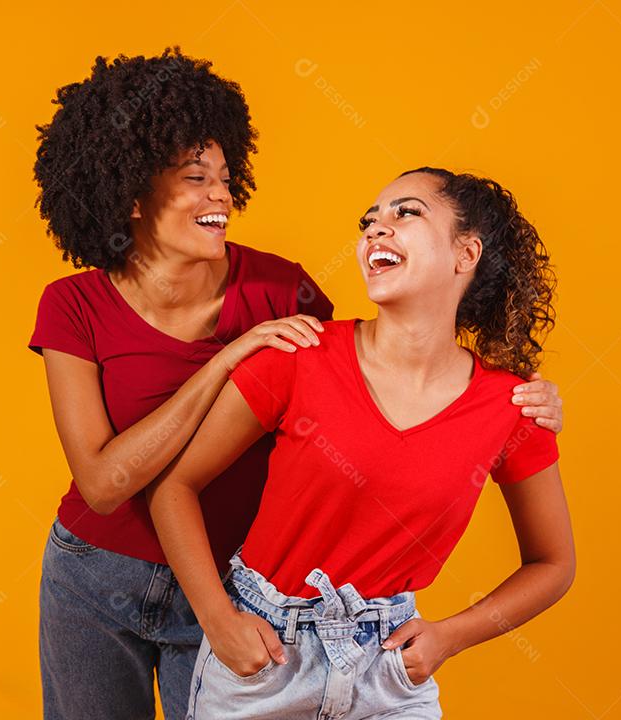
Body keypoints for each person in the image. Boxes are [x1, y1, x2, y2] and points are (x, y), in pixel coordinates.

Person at [29, 47, 566, 720]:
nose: (220, 194)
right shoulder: (73, 306)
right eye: (197, 178)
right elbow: (106, 485)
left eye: (226, 177)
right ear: (130, 190)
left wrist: (520, 407)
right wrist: (225, 361)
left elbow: (363, 391)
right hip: (96, 575)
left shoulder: (285, 291)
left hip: (231, 583)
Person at [145, 167, 575, 719]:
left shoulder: (513, 407)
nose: (377, 230)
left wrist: (450, 637)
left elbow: (553, 563)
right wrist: (217, 619)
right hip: (263, 664)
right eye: (369, 221)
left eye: (406, 213)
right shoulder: (296, 357)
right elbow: (174, 485)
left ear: (465, 254)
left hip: (389, 675)